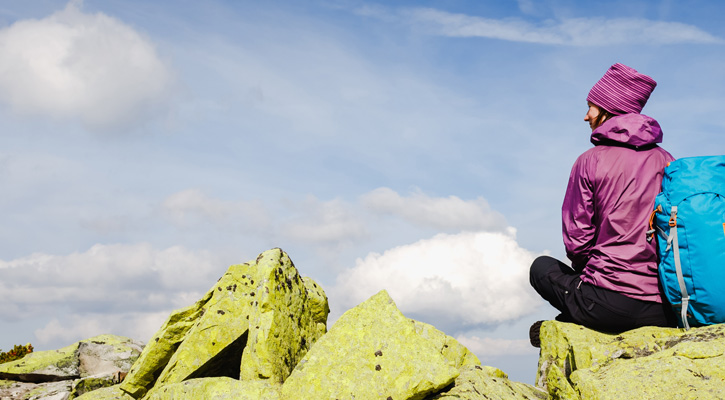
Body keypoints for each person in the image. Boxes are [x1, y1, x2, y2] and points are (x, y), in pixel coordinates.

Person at [529, 63, 677, 345]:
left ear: (609, 110)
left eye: (591, 107)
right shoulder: (667, 159)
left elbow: (577, 241)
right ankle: (570, 320)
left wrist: (596, 280)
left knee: (541, 267)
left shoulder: (590, 160)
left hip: (605, 302)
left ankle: (569, 322)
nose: (586, 116)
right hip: (661, 308)